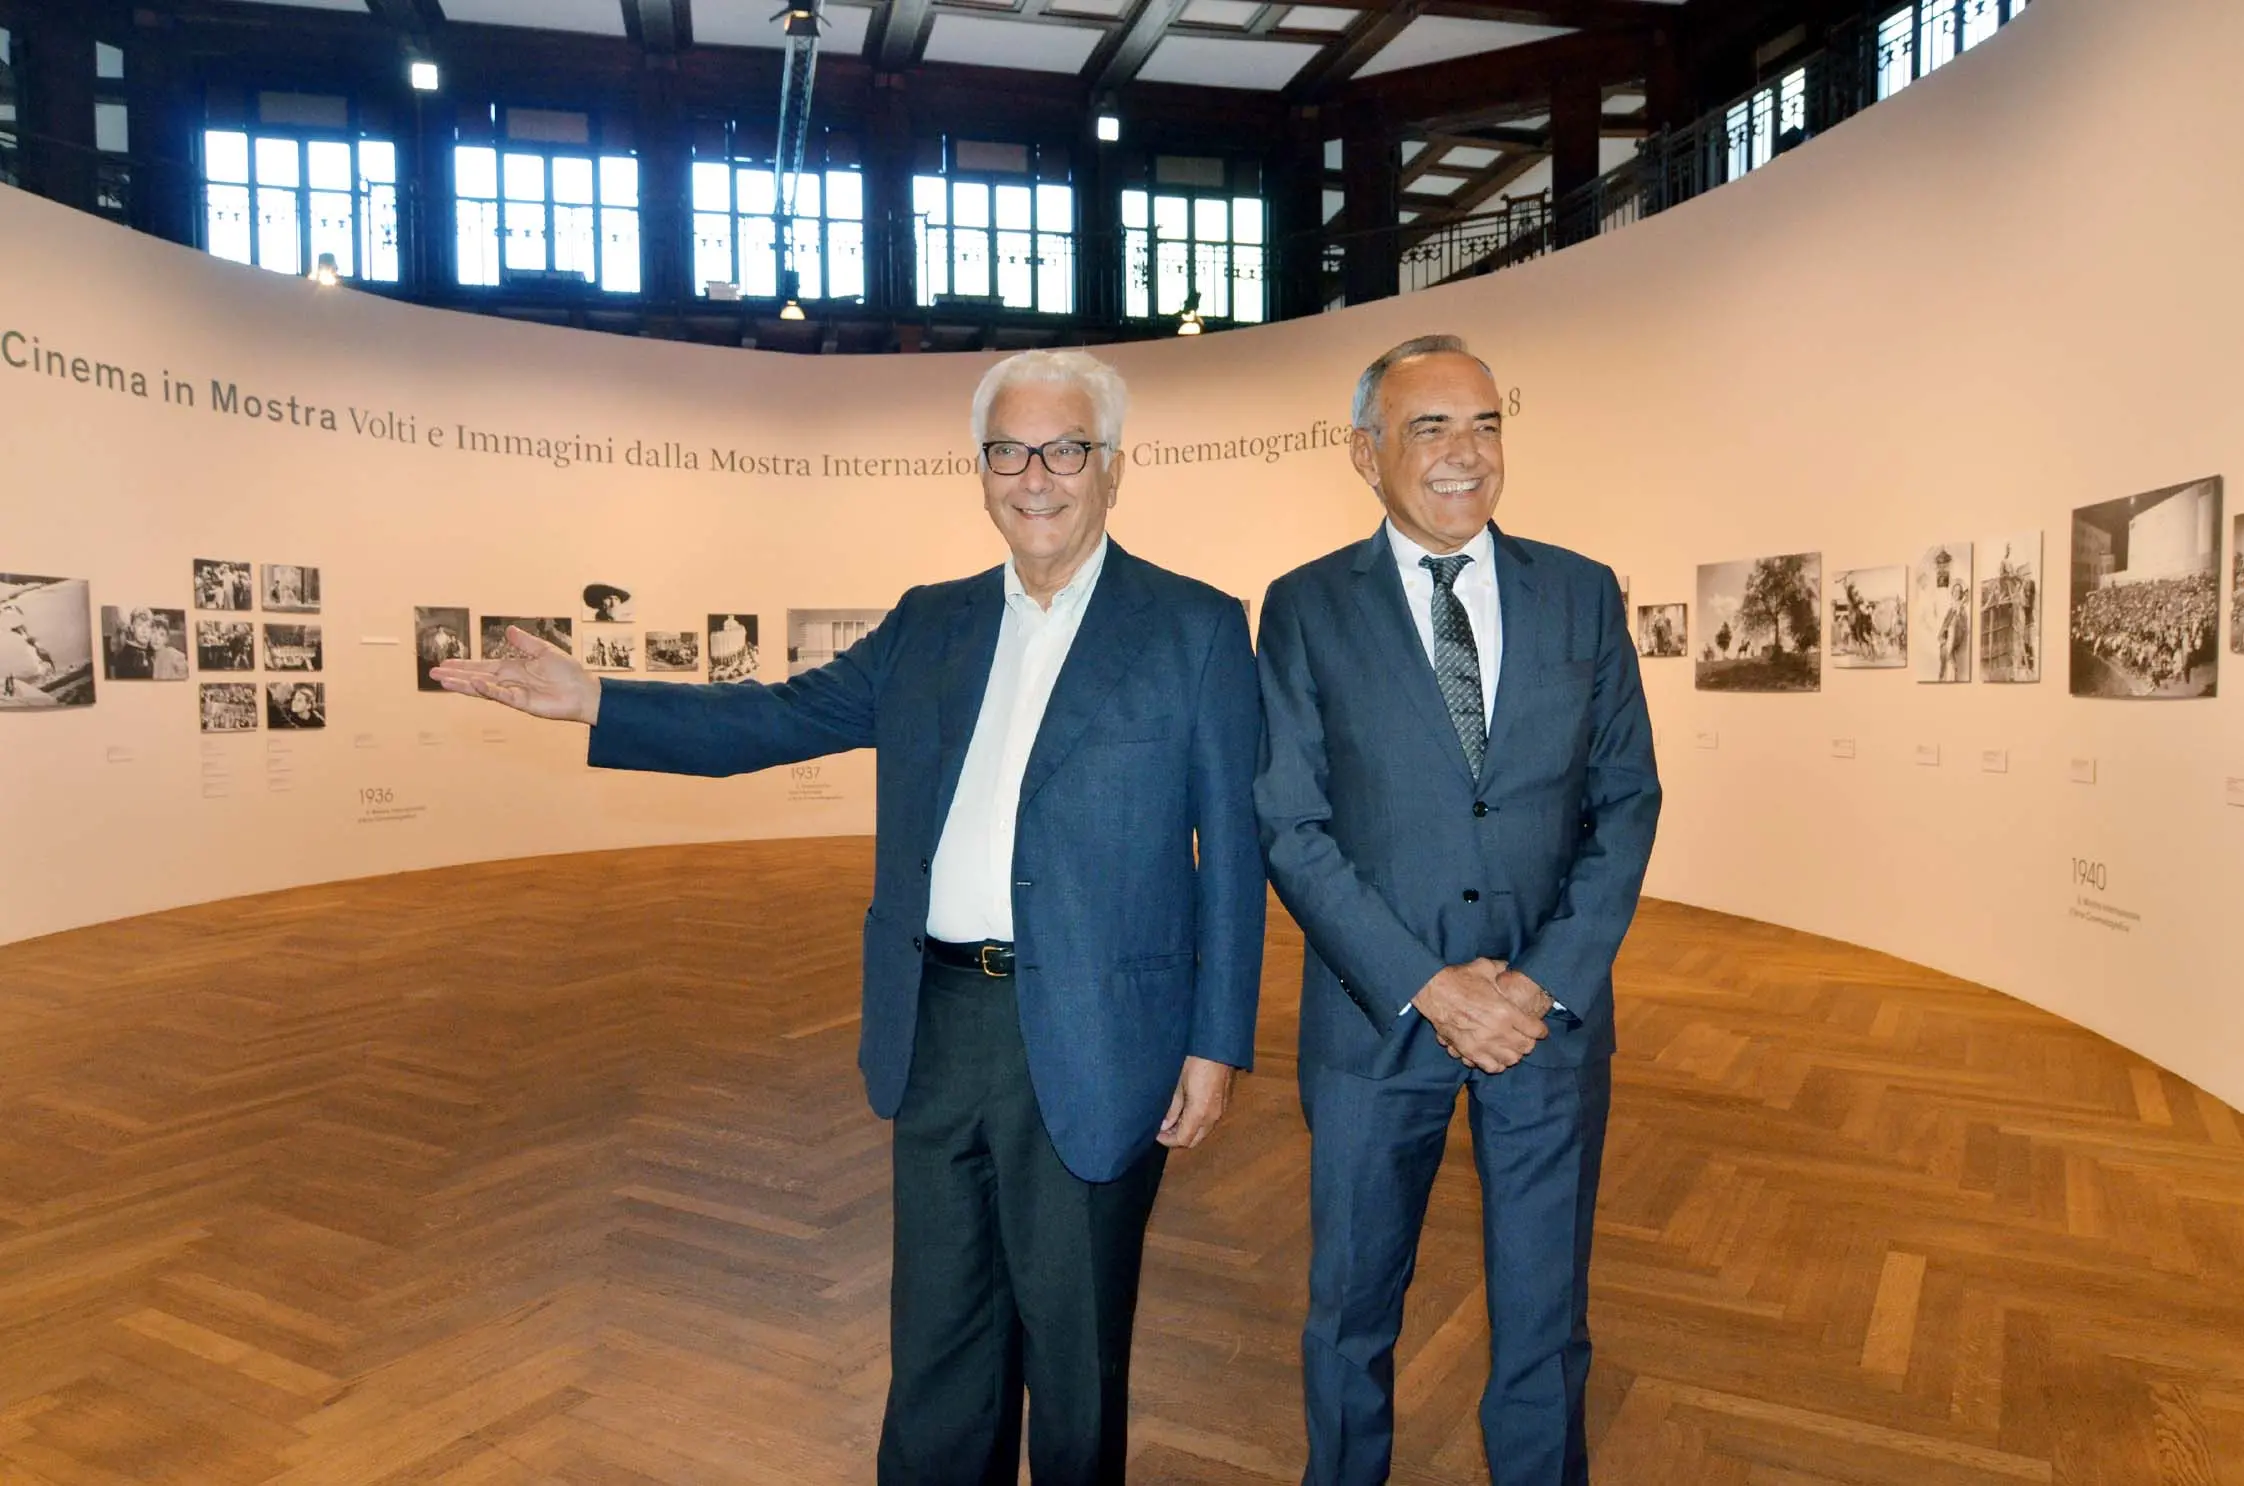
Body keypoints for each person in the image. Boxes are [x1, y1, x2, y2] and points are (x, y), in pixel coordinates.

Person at [432, 349, 1264, 1486]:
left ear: (1112, 466)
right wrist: (595, 699)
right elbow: (767, 721)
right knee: (938, 1341)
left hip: (1100, 1034)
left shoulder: (1196, 628)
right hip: (937, 1021)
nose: (1036, 476)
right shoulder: (930, 625)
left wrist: (1216, 1042)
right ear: (981, 470)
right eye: (1008, 450)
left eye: (1065, 449)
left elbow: (1233, 846)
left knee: (1076, 1360)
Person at [1255, 335, 1661, 1486]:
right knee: (1350, 1317)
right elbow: (1290, 822)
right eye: (1429, 427)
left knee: (1546, 1322)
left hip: (1549, 1027)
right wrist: (1430, 984)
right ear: (1363, 452)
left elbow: (1625, 800)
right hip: (1373, 1025)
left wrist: (1535, 983)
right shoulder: (1302, 609)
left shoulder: (1581, 592)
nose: (1463, 453)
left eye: (1484, 423)